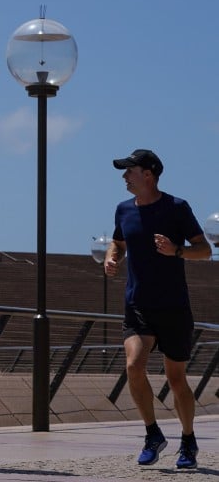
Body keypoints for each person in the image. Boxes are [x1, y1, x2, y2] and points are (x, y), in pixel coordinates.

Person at [105, 149, 209, 469]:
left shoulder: (177, 208)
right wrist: (112, 257)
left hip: (173, 307)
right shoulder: (123, 210)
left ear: (148, 174)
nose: (124, 177)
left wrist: (175, 250)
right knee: (134, 365)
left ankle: (188, 441)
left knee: (176, 379)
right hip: (138, 305)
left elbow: (204, 251)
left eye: (129, 171)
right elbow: (119, 243)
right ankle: (153, 434)